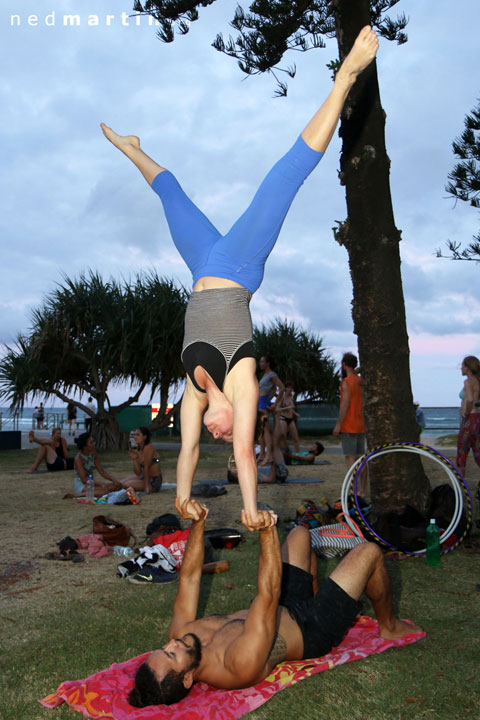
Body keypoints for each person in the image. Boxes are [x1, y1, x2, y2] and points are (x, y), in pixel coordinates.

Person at [101, 26, 379, 530]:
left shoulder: (193, 395)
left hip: (203, 262)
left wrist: (183, 499)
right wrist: (251, 511)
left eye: (216, 437)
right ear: (237, 429)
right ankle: (343, 81)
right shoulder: (244, 385)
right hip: (240, 267)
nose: (216, 436)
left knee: (172, 197)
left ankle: (132, 147)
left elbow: (185, 454)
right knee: (283, 181)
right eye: (226, 437)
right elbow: (248, 459)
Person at [128, 499, 421, 707]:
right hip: (311, 629)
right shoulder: (236, 666)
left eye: (164, 648)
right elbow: (268, 593)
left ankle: (325, 594)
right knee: (368, 552)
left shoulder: (182, 636)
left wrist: (197, 523)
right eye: (171, 655)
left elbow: (190, 578)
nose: (173, 643)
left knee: (300, 534)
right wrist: (268, 531)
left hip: (284, 603)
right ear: (189, 678)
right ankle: (389, 625)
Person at [333, 353, 367, 495]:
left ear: (343, 364)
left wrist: (338, 424)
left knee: (350, 458)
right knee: (360, 457)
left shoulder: (346, 381)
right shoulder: (359, 381)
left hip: (349, 424)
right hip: (360, 423)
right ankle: (363, 489)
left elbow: (345, 403)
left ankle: (352, 490)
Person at [72, 433, 122, 497]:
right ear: (85, 447)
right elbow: (84, 480)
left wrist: (113, 480)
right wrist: (100, 484)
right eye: (91, 442)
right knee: (105, 491)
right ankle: (79, 494)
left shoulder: (93, 454)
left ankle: (99, 491)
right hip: (82, 485)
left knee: (119, 485)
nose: (94, 444)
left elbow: (101, 471)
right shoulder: (79, 459)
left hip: (91, 483)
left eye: (93, 441)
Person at [456, 355, 480, 477]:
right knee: (478, 453)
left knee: (461, 455)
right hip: (478, 420)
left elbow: (469, 399)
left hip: (469, 420)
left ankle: (460, 490)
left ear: (468, 368)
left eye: (462, 366)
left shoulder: (468, 381)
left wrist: (466, 412)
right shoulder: (478, 380)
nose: (461, 368)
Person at [121, 426, 163, 493]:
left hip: (153, 480)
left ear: (144, 437)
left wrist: (147, 486)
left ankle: (147, 485)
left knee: (125, 485)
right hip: (144, 476)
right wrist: (135, 459)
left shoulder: (148, 447)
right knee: (121, 483)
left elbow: (146, 467)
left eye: (138, 435)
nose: (135, 437)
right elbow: (138, 472)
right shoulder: (138, 449)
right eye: (134, 435)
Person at [274, 381, 300, 453]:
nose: (290, 389)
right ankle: (282, 454)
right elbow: (277, 409)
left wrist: (295, 413)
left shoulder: (290, 397)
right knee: (283, 437)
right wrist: (287, 408)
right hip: (283, 418)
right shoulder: (282, 397)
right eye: (289, 388)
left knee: (296, 438)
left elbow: (291, 408)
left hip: (290, 419)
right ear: (286, 388)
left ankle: (298, 454)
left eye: (291, 388)